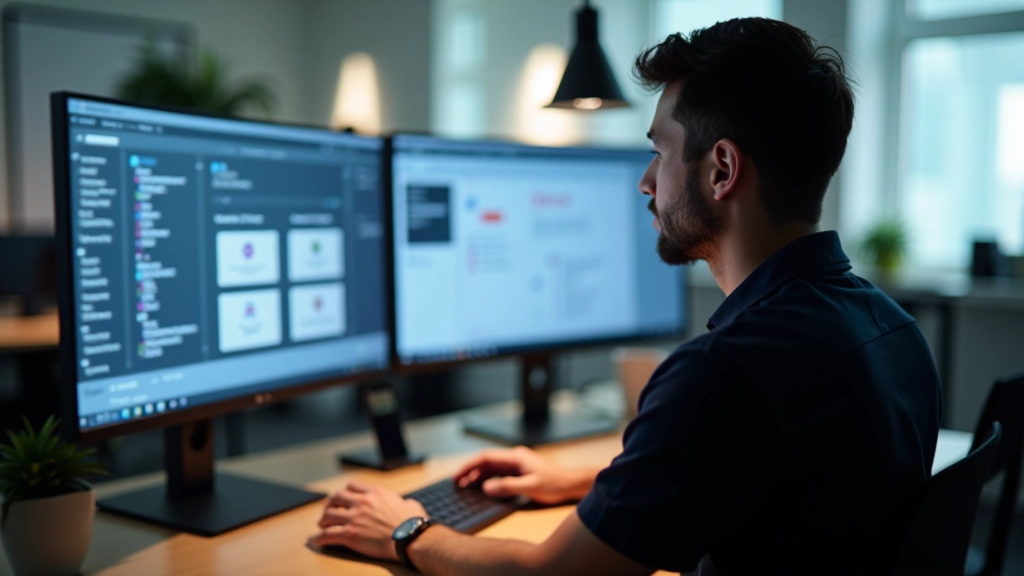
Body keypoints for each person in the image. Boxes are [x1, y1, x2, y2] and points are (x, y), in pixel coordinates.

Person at [310, 17, 942, 575]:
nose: (645, 182)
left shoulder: (724, 372)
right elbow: (765, 474)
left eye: (658, 152)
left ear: (721, 170)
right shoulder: (891, 329)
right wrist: (591, 480)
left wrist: (405, 528)